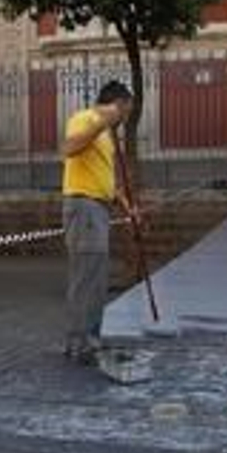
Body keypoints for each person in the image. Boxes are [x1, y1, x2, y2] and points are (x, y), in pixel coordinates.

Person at [61, 80, 133, 364]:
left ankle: (90, 337)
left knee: (96, 277)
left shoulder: (107, 136)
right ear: (119, 103)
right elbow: (69, 147)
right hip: (84, 206)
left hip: (98, 207)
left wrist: (124, 204)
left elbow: (104, 177)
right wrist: (101, 122)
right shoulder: (86, 119)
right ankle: (80, 342)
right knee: (87, 276)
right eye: (126, 109)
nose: (126, 116)